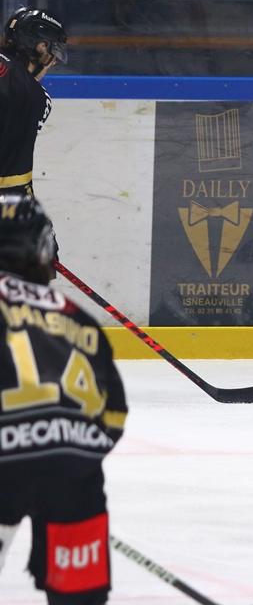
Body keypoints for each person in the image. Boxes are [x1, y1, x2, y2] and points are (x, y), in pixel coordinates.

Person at [0, 193, 128, 604]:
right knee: (79, 597)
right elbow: (114, 413)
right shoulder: (77, 317)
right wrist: (67, 455)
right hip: (72, 468)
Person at [0, 9, 66, 197]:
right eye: (53, 51)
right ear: (41, 46)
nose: (53, 62)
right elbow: (11, 174)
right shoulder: (35, 96)